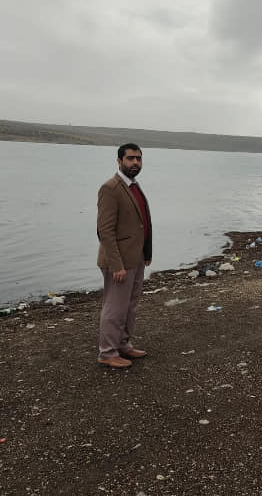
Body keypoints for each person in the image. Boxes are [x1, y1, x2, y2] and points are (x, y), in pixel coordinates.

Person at [96, 143, 152, 368]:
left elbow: (142, 222)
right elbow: (105, 231)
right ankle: (107, 352)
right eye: (130, 158)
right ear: (119, 161)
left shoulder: (134, 186)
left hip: (135, 257)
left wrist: (146, 252)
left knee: (130, 306)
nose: (135, 162)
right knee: (115, 307)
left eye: (138, 158)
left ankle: (123, 345)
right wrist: (116, 265)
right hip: (118, 261)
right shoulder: (110, 188)